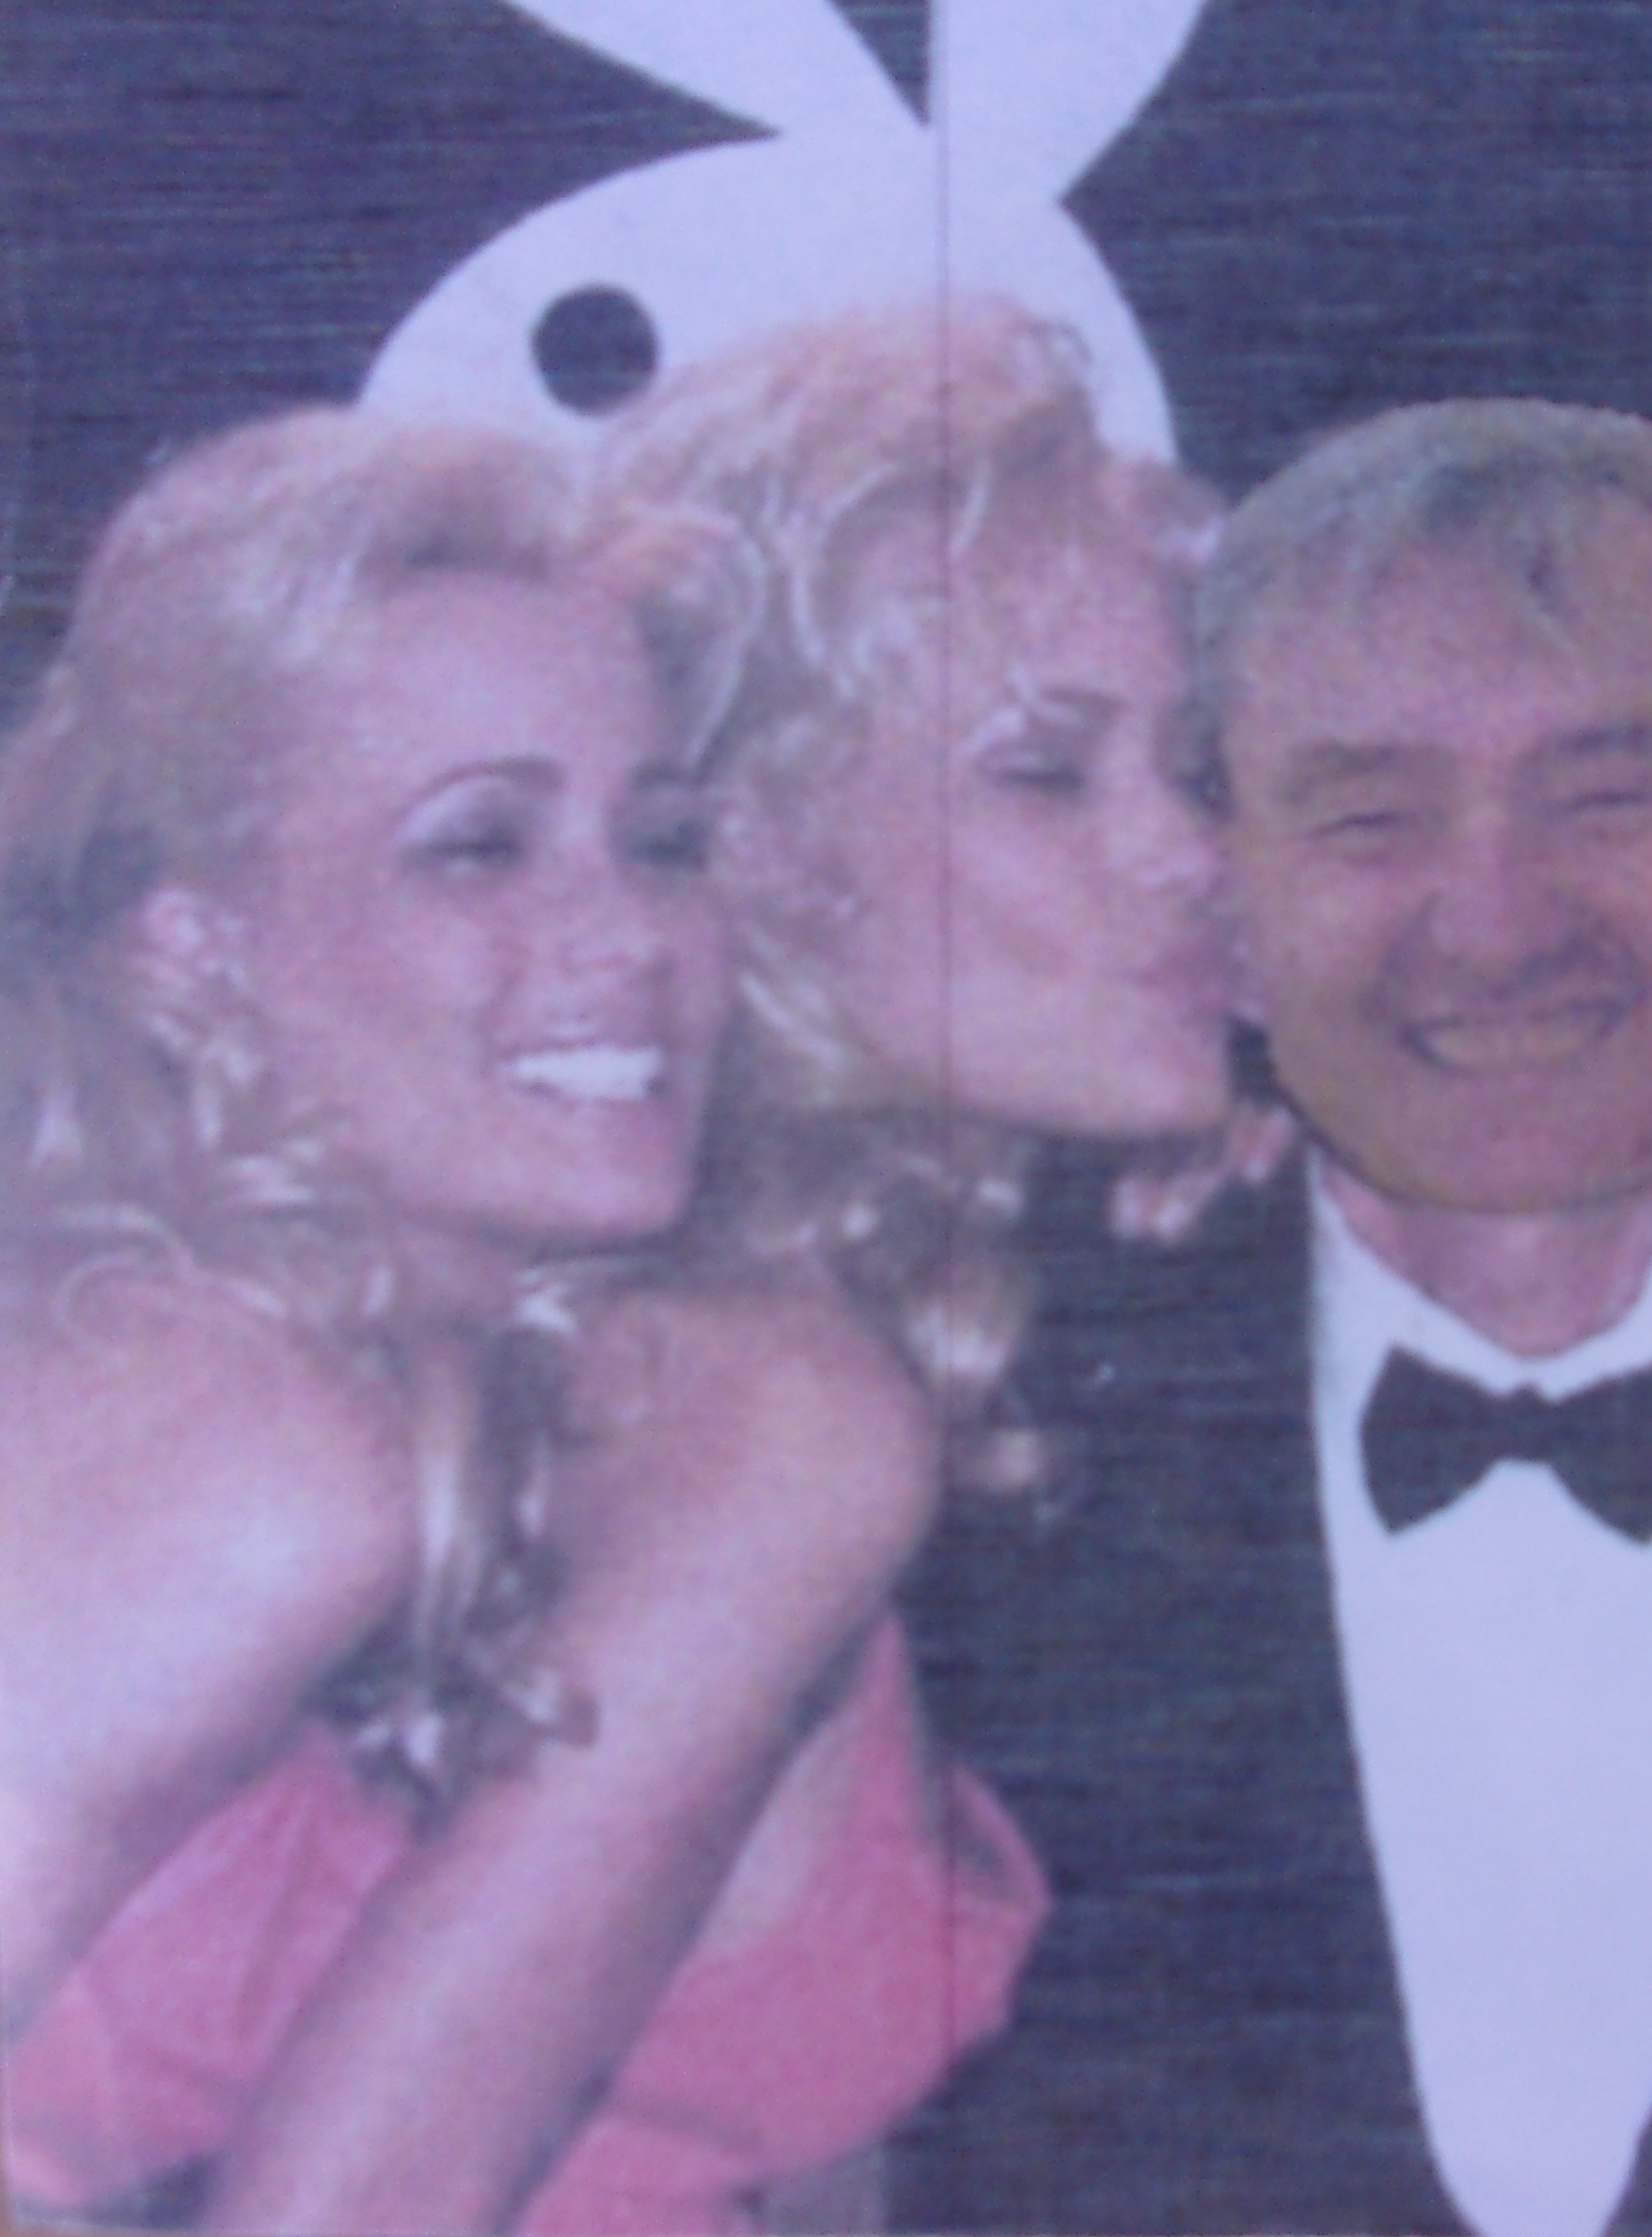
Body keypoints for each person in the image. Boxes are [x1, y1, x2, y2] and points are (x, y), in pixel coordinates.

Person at [893, 398, 1652, 2237]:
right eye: (1368, 816)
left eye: (1604, 797)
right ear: (1227, 882)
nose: (1496, 921)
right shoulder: (984, 1403)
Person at [0, 402, 992, 2235]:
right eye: (478, 846)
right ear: (194, 940)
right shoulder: (225, 1443)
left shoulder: (698, 1404)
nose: (627, 933)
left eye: (661, 838)